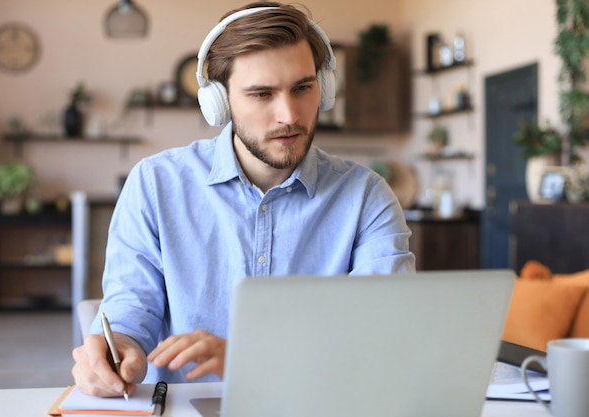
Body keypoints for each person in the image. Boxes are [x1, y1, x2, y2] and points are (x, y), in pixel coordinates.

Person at [72, 1, 415, 397]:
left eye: (303, 87)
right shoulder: (154, 184)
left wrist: (253, 357)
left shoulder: (367, 197)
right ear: (219, 102)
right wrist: (120, 351)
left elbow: (382, 333)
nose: (288, 114)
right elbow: (133, 308)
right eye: (261, 94)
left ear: (324, 87)